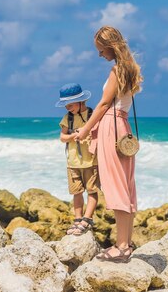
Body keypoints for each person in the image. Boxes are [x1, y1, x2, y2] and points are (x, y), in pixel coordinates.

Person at [74, 26, 143, 262]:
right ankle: (126, 243)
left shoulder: (117, 70)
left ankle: (121, 246)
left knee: (115, 186)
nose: (100, 54)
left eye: (101, 50)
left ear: (110, 46)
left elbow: (103, 105)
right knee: (125, 185)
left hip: (111, 128)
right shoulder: (130, 69)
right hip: (123, 127)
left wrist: (85, 128)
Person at [56, 82, 100, 236]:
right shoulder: (67, 118)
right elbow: (62, 137)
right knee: (76, 192)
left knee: (92, 191)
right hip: (73, 162)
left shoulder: (92, 115)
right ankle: (77, 219)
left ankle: (87, 219)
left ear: (82, 101)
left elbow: (99, 133)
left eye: (70, 104)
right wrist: (74, 135)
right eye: (65, 105)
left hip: (91, 161)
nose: (68, 108)